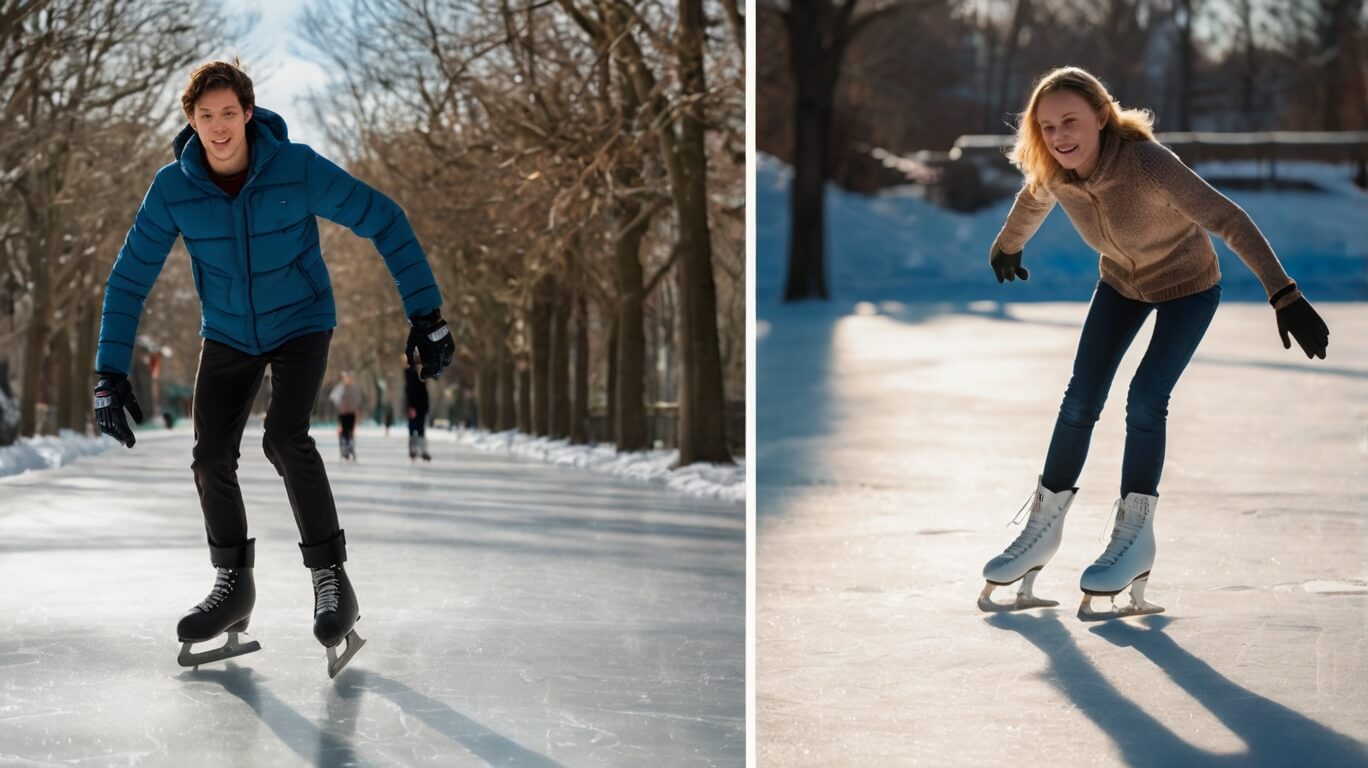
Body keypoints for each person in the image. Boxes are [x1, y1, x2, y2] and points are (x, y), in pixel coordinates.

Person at [91, 60, 455, 676]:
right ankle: (233, 583)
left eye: (228, 114)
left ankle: (331, 579)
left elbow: (384, 218)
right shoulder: (172, 188)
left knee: (285, 437)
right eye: (206, 116)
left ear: (248, 113)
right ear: (191, 121)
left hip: (301, 321)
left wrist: (426, 313)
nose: (218, 127)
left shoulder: (297, 167)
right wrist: (110, 372)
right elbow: (129, 278)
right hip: (227, 331)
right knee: (210, 455)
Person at [976, 67, 1329, 621]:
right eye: (1047, 126)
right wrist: (1008, 244)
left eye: (1070, 121)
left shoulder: (1147, 164)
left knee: (1144, 399)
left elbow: (1228, 219)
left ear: (1100, 117)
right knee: (1079, 400)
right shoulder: (1056, 169)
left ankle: (1133, 541)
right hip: (1121, 285)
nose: (1059, 136)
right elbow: (1033, 197)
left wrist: (1283, 294)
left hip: (1189, 287)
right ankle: (1040, 531)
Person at [329, 370, 364, 462]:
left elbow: (358, 400)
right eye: (345, 378)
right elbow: (333, 397)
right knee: (344, 432)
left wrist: (358, 410)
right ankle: (344, 449)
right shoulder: (340, 388)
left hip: (351, 413)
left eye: (348, 378)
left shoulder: (353, 388)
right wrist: (339, 405)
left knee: (350, 431)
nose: (347, 380)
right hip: (343, 413)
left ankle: (350, 448)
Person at [405, 353, 431, 461]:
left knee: (421, 429)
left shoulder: (424, 372)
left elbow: (424, 392)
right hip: (413, 405)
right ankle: (413, 450)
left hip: (422, 405)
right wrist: (411, 406)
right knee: (412, 428)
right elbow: (409, 391)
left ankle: (423, 451)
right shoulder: (409, 373)